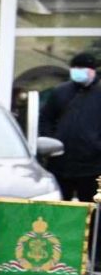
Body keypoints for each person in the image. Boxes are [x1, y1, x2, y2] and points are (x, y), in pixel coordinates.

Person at [40, 51, 101, 202]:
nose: (77, 71)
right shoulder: (60, 92)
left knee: (91, 210)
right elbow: (46, 119)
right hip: (60, 163)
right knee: (60, 209)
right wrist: (51, 142)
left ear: (93, 70)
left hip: (92, 166)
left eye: (82, 68)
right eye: (75, 67)